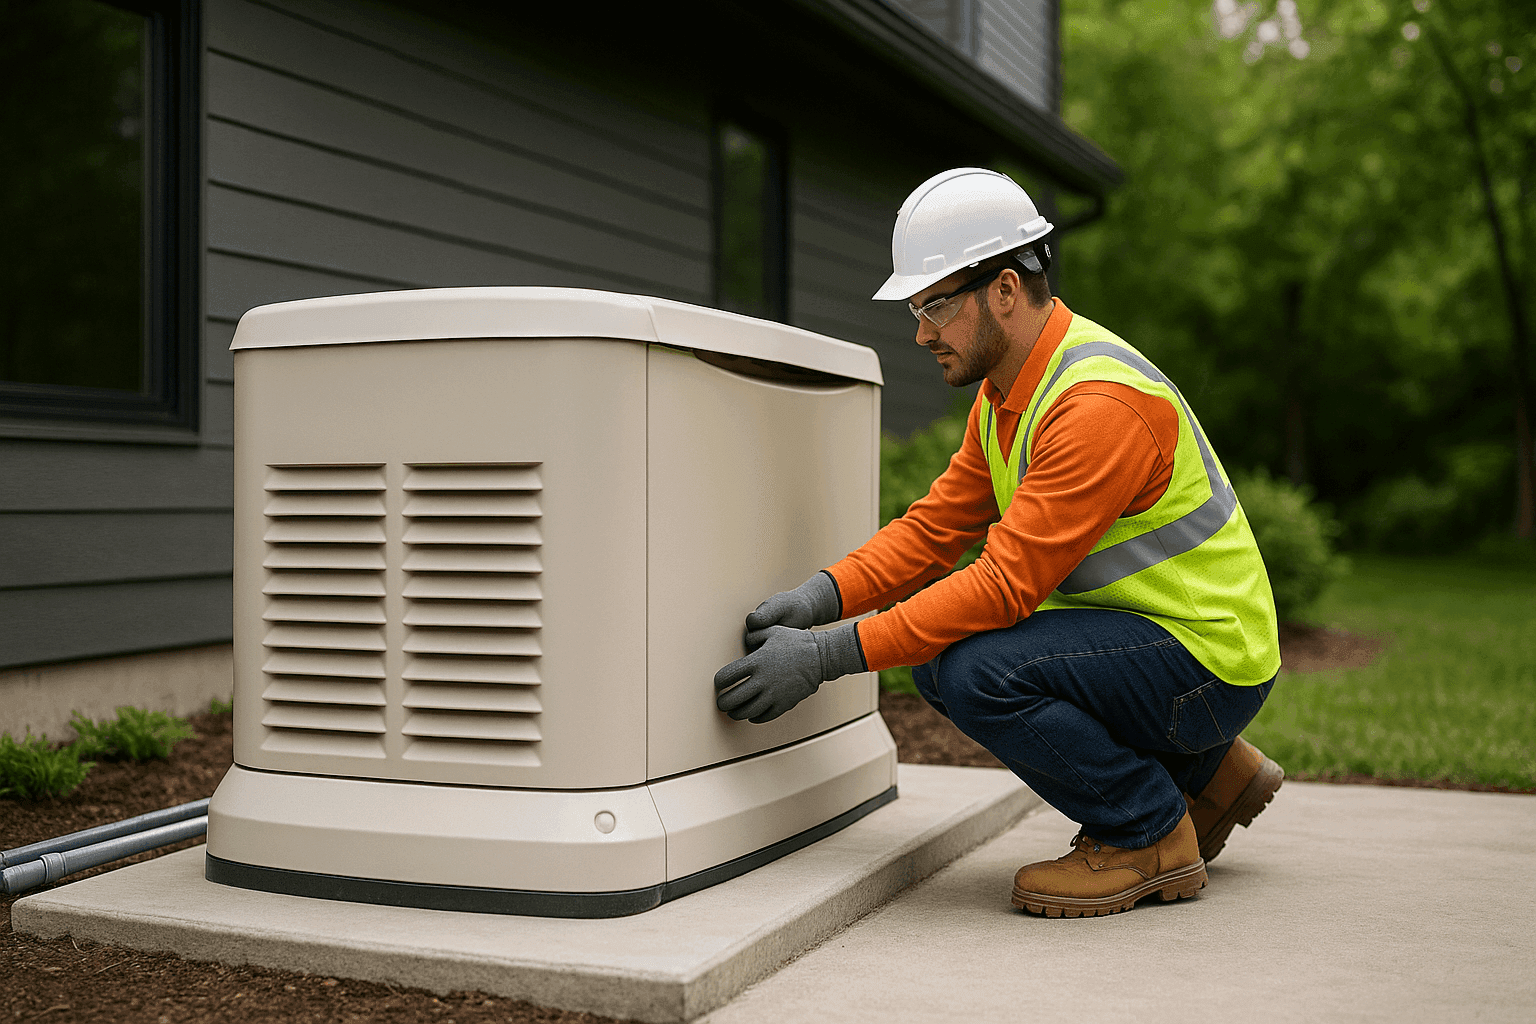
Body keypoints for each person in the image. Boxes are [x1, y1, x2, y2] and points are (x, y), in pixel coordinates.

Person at [713, 167, 1285, 918]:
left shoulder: (1094, 406)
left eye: (936, 305)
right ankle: (1211, 774)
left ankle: (1148, 831)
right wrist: (820, 596)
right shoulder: (1010, 393)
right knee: (948, 665)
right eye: (917, 308)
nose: (921, 331)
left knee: (975, 671)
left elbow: (1002, 586)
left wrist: (827, 656)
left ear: (1006, 291)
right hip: (1170, 644)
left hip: (1210, 660)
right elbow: (934, 529)